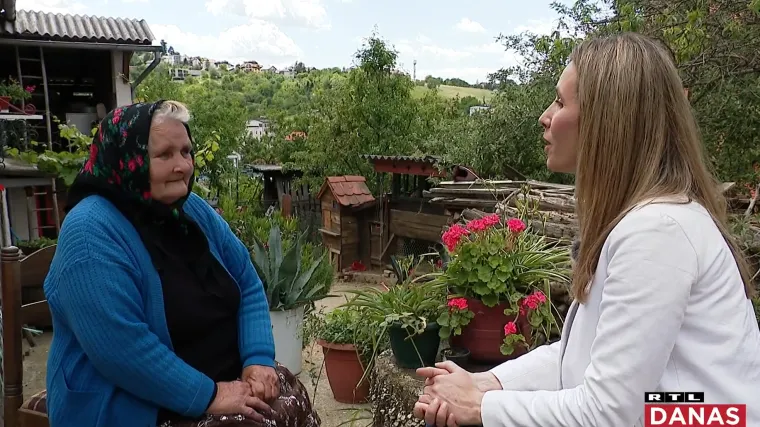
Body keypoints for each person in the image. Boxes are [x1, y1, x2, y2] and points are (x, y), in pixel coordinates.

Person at [414, 32, 760, 426]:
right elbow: (583, 360)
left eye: (560, 102)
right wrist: (486, 382)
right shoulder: (646, 220)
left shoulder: (657, 232)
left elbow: (609, 411)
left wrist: (480, 407)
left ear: (606, 121)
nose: (545, 116)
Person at [43, 100, 320, 427]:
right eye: (164, 155)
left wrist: (258, 359)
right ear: (127, 160)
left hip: (220, 379)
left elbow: (246, 282)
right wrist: (210, 395)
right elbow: (121, 350)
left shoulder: (191, 211)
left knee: (288, 393)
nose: (183, 166)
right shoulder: (89, 233)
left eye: (186, 151)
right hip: (131, 402)